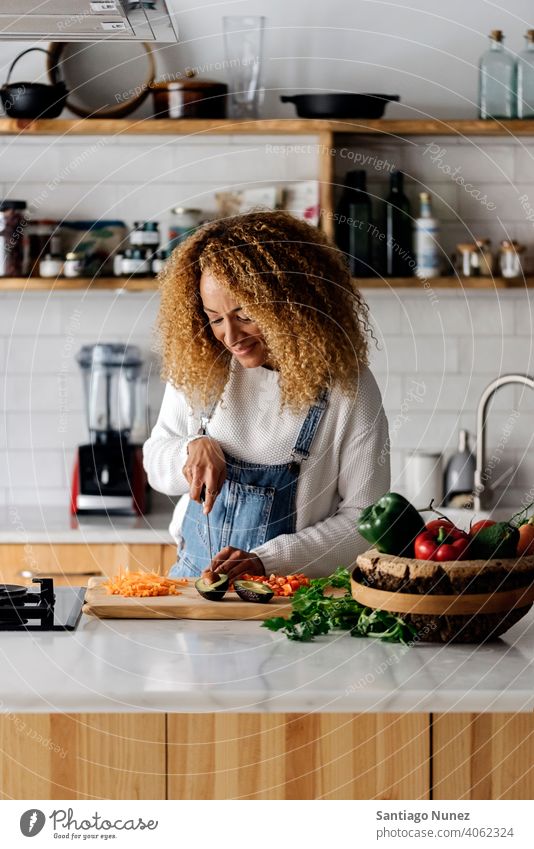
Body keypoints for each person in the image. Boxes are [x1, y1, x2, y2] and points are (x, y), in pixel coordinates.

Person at [143, 210, 390, 582]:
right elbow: (154, 461)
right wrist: (190, 448)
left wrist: (267, 562)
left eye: (245, 315)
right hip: (190, 585)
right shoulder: (202, 365)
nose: (231, 336)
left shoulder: (348, 387)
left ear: (289, 301)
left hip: (287, 595)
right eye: (214, 318)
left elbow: (365, 520)